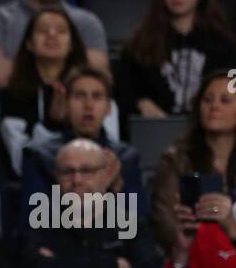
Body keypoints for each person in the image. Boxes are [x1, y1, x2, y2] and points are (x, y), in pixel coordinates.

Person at [23, 138, 163, 268]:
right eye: (67, 172)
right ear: (56, 178)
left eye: (87, 171)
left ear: (106, 176)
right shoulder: (39, 225)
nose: (77, 180)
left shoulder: (131, 225)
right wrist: (112, 266)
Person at [150, 69, 236, 253]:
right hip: (195, 257)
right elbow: (164, 218)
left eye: (225, 100)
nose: (214, 106)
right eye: (208, 100)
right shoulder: (176, 158)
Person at [20, 66, 146, 233]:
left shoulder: (125, 158)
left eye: (97, 96)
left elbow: (136, 227)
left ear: (109, 107)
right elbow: (34, 225)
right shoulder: (40, 157)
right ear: (66, 103)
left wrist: (116, 189)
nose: (88, 105)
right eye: (80, 96)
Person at [119, 0, 236, 118]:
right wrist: (140, 103)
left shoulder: (227, 47)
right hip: (154, 132)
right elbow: (124, 93)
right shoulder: (138, 46)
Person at [0, 6, 117, 173]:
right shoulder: (14, 94)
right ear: (29, 43)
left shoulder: (94, 91)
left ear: (72, 44)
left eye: (61, 31)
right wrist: (52, 125)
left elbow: (111, 150)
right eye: (43, 30)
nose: (52, 35)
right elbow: (20, 163)